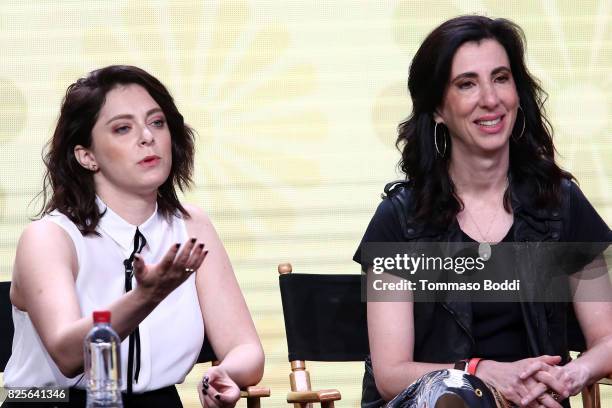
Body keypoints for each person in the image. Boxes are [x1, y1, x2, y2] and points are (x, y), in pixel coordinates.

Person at [354, 16, 612, 408]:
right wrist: (479, 372)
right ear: (438, 108)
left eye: (501, 78)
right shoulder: (398, 219)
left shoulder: (560, 204)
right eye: (467, 84)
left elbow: (607, 338)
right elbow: (391, 374)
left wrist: (568, 375)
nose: (490, 99)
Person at [3, 65, 264, 408]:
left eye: (157, 122)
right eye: (123, 128)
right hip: (51, 402)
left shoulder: (192, 226)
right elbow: (68, 354)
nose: (147, 136)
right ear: (87, 155)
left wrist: (225, 374)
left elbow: (246, 349)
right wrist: (146, 296)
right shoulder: (49, 237)